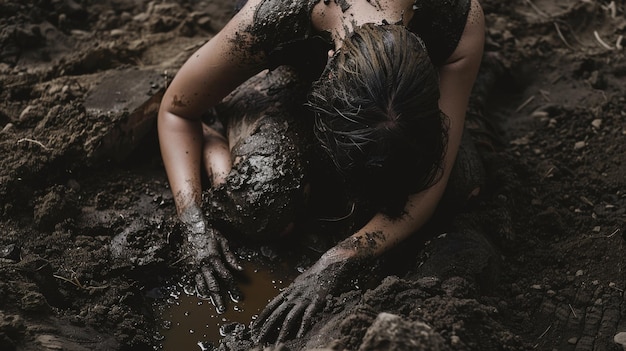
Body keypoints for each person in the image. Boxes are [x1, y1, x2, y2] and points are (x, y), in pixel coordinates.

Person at [157, 0, 485, 344]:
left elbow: (429, 188)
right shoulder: (274, 17)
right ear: (327, 71)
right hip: (284, 72)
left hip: (395, 106)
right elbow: (177, 111)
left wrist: (341, 257)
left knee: (463, 184)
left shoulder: (457, 18)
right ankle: (231, 120)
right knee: (260, 199)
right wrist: (193, 222)